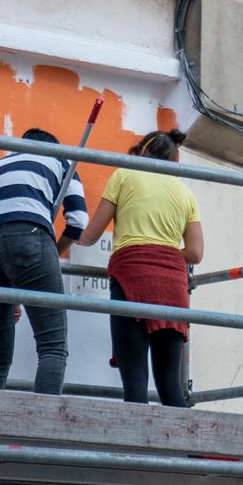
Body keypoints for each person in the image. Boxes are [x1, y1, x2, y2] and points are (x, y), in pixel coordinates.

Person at [77, 129, 202, 407]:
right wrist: (164, 252)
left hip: (132, 275)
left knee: (134, 380)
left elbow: (91, 236)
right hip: (173, 283)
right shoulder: (185, 193)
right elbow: (195, 252)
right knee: (170, 383)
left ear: (141, 152)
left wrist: (65, 239)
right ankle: (183, 450)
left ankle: (136, 452)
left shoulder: (124, 174)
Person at [0, 128, 88, 395]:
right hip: (30, 234)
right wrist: (52, 254)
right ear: (53, 146)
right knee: (52, 346)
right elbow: (78, 220)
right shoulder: (63, 161)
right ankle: (40, 432)